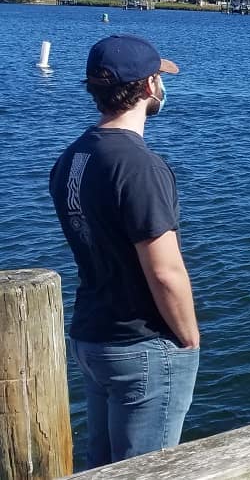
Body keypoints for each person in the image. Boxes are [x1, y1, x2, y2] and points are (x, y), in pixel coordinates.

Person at [48, 34, 199, 468]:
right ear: (151, 86)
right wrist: (189, 340)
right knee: (145, 470)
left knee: (103, 465)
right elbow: (165, 271)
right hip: (142, 345)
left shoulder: (73, 156)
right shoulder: (139, 166)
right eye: (160, 78)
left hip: (90, 336)